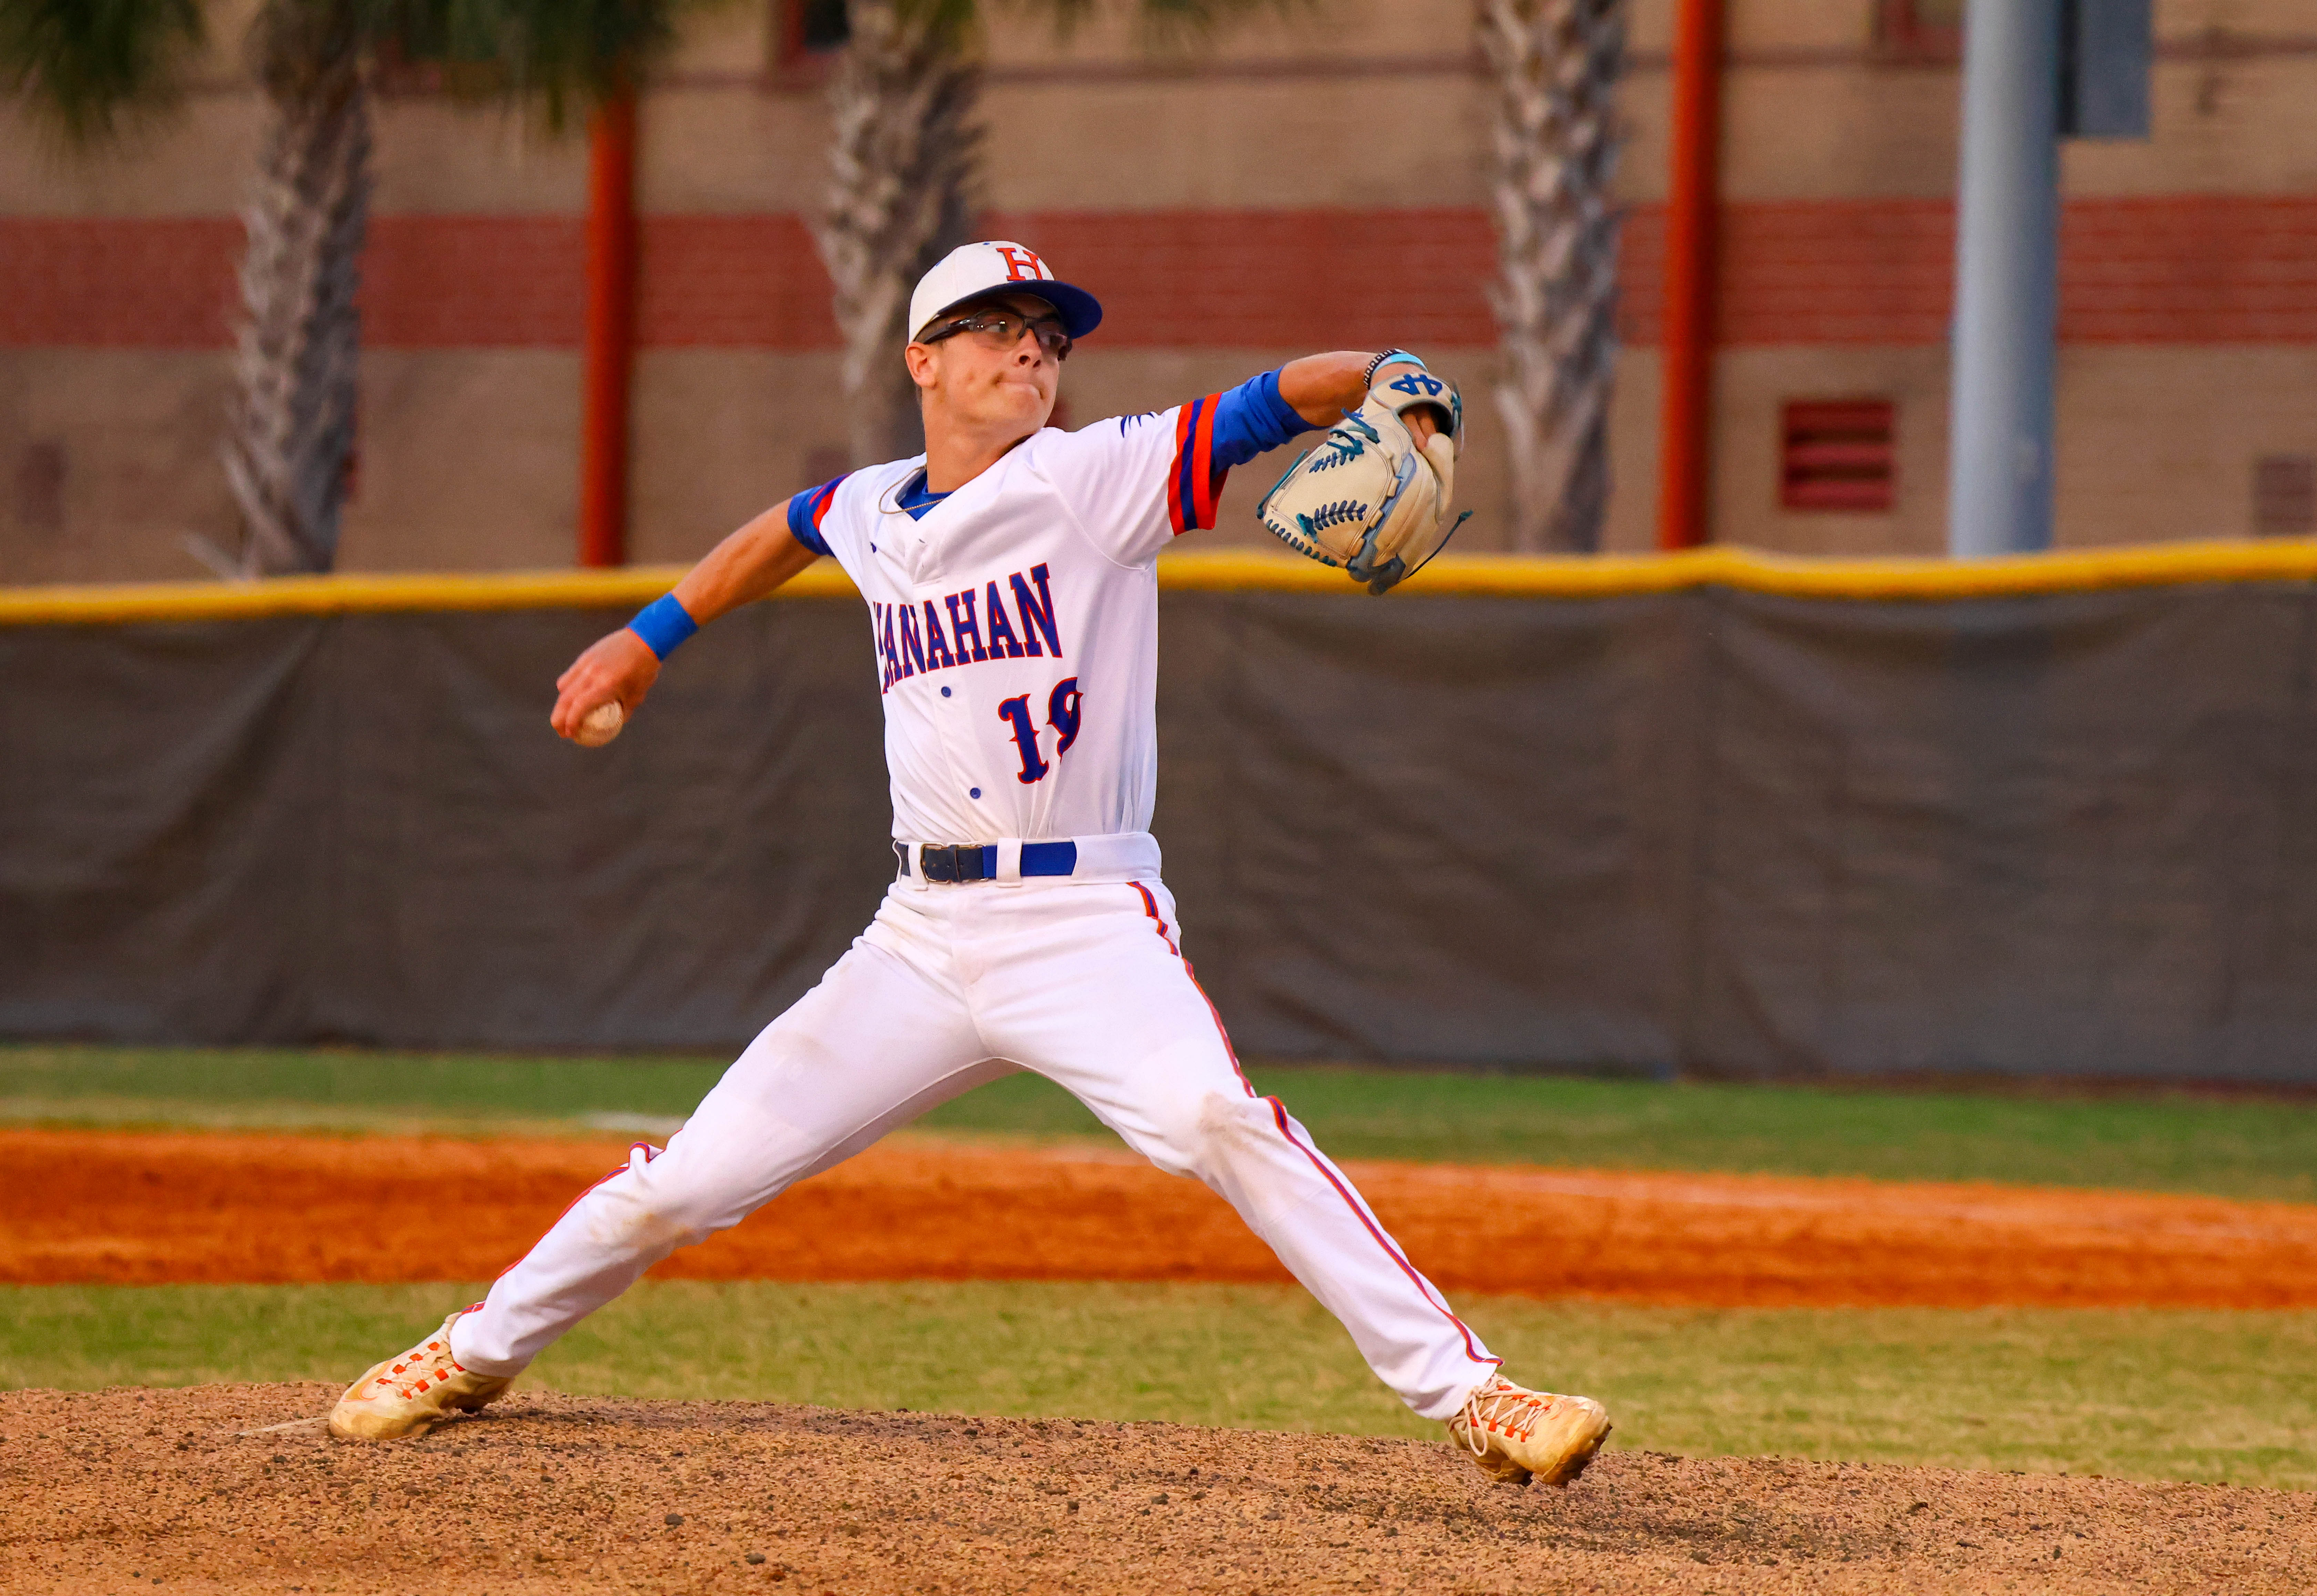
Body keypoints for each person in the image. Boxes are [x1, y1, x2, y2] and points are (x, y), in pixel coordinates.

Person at [327, 241, 1611, 1489]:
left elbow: (1278, 399)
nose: (1032, 353)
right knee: (687, 1184)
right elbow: (786, 528)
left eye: (1049, 338)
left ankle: (1474, 1393)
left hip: (1084, 920)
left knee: (1221, 1119)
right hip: (920, 936)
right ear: (923, 360)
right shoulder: (876, 506)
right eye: (999, 328)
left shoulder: (1091, 476)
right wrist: (651, 634)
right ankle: (473, 1352)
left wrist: (1395, 372)